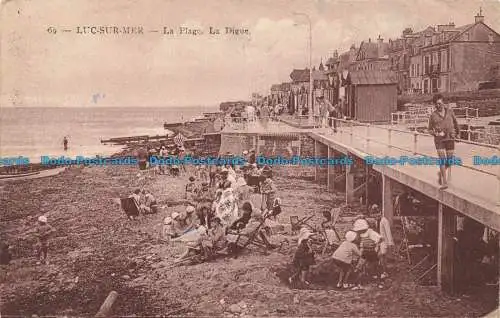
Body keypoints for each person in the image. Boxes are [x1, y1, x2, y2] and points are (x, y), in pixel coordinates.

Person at [428, 93, 460, 189]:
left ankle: (440, 173)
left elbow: (456, 123)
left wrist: (458, 134)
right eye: (436, 104)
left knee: (449, 161)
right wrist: (435, 133)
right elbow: (429, 129)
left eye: (440, 103)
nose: (438, 106)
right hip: (439, 140)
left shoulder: (450, 112)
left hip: (450, 138)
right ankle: (444, 182)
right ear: (434, 104)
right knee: (442, 160)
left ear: (443, 103)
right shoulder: (433, 116)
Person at [372, 204, 393, 278]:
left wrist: (390, 243)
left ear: (380, 213)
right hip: (378, 241)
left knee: (381, 255)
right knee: (379, 257)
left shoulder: (384, 221)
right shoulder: (376, 221)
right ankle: (381, 271)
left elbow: (388, 232)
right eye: (374, 215)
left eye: (377, 214)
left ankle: (385, 271)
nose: (376, 216)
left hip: (384, 241)